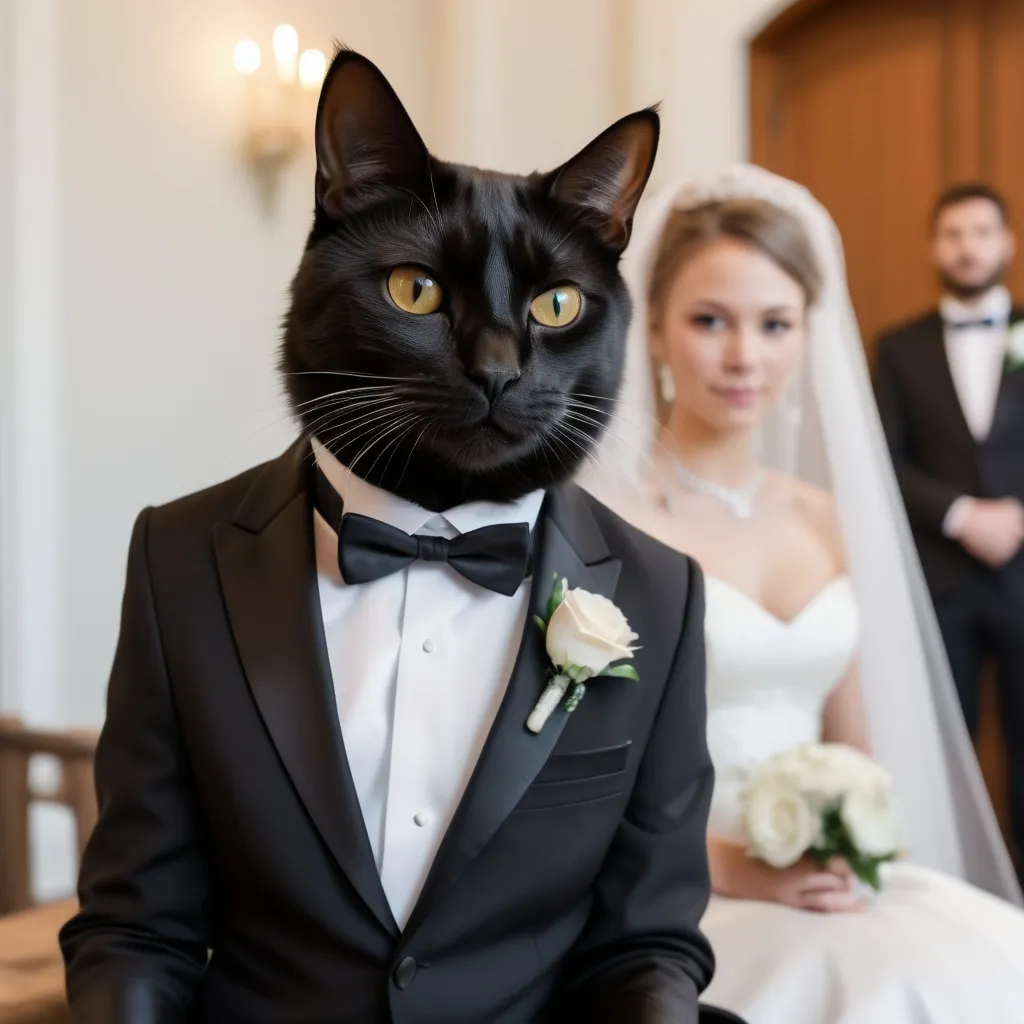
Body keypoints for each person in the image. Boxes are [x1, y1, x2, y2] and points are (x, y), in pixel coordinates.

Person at [57, 49, 733, 1024]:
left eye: (552, 307)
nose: (498, 363)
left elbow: (643, 947)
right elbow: (139, 930)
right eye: (420, 292)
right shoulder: (180, 557)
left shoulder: (660, 592)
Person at [582, 165, 1024, 1024]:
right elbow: (587, 779)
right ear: (657, 333)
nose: (746, 355)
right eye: (711, 321)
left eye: (775, 324)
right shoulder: (609, 521)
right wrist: (740, 868)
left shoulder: (828, 517)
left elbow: (853, 748)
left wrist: (848, 841)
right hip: (678, 892)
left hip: (820, 881)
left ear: (804, 334)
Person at [874, 183, 1024, 869]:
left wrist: (1014, 516)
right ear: (936, 247)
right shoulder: (899, 348)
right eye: (954, 234)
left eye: (982, 232)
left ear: (1006, 243)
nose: (969, 247)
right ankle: (953, 885)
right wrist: (961, 515)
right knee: (944, 744)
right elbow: (882, 456)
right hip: (940, 580)